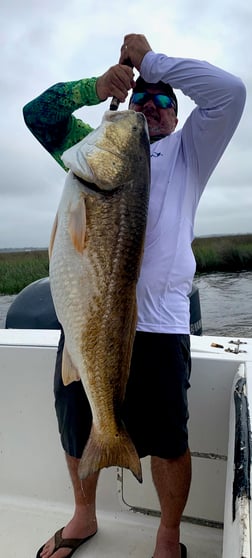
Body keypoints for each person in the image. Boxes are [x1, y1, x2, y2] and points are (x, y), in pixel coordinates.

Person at [23, 33, 246, 558]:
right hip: (88, 317)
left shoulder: (192, 149)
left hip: (162, 324)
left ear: (176, 113)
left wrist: (151, 62)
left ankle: (167, 538)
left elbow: (231, 92)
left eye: (163, 99)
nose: (150, 104)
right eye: (142, 96)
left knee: (169, 437)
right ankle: (83, 516)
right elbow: (38, 115)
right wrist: (93, 85)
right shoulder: (92, 154)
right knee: (78, 421)